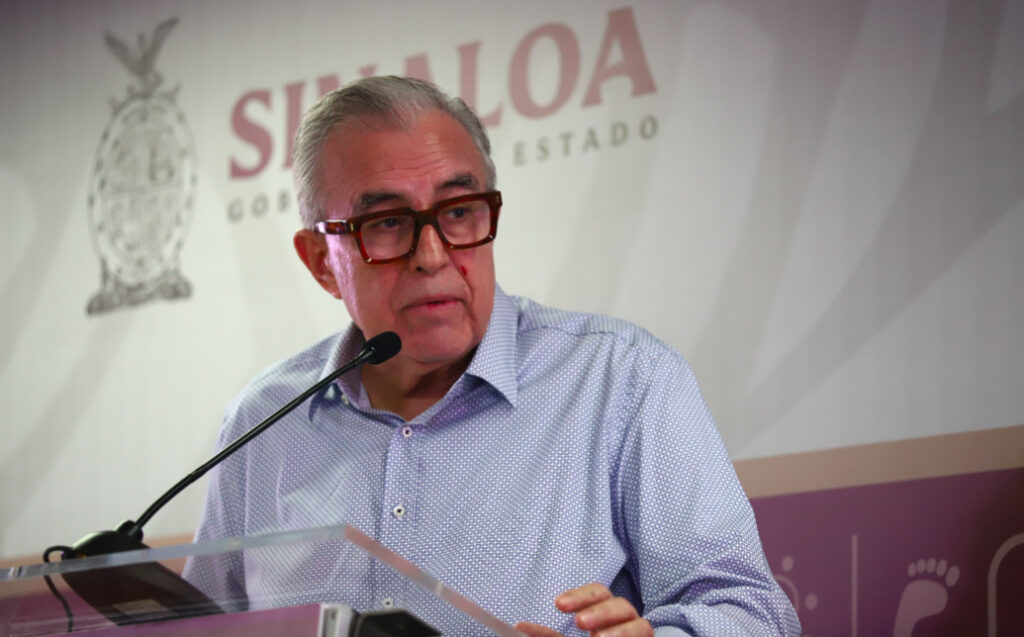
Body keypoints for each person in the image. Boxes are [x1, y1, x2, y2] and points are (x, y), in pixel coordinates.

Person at [183, 76, 800, 636]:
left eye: (457, 212)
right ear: (321, 261)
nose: (432, 255)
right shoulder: (262, 426)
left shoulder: (623, 380)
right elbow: (192, 629)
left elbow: (752, 612)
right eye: (389, 224)